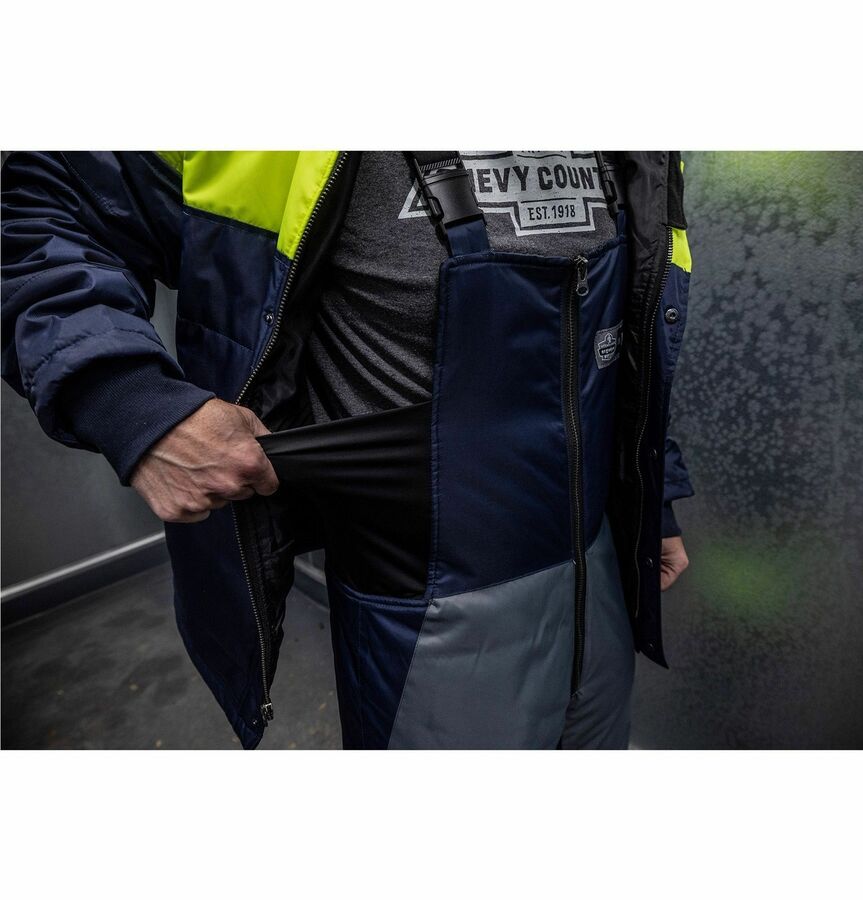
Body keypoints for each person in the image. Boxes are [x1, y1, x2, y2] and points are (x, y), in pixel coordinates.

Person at [1, 151, 694, 749]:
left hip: (600, 582)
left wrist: (651, 495)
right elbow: (39, 217)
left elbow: (618, 339)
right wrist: (134, 405)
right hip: (426, 626)